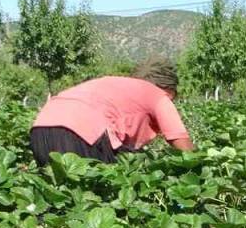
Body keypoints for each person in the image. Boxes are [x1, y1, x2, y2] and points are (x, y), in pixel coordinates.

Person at [29, 58, 195, 166]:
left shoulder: (116, 84)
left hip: (40, 128)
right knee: (95, 198)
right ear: (168, 88)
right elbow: (184, 147)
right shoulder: (158, 94)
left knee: (58, 196)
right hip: (81, 132)